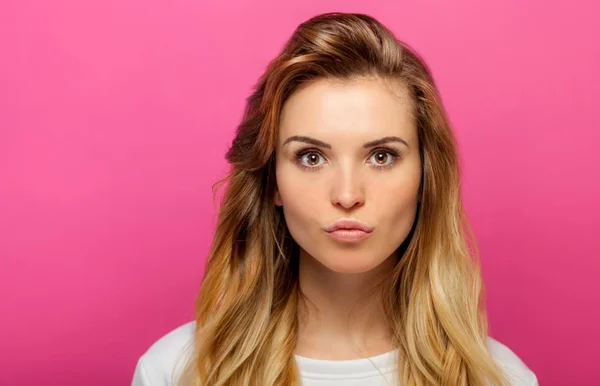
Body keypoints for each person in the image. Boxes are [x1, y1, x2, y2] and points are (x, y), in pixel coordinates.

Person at [131, 12, 538, 386]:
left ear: (425, 178)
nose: (347, 195)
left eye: (382, 156)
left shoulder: (501, 378)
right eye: (311, 157)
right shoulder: (175, 371)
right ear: (273, 180)